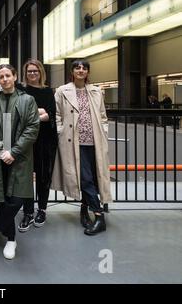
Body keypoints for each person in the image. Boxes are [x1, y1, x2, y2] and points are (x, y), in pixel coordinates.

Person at [0, 64, 40, 259]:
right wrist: (0, 150)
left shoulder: (27, 100)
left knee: (17, 200)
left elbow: (32, 128)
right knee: (2, 199)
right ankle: (11, 240)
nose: (4, 79)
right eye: (1, 77)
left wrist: (13, 152)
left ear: (14, 77)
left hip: (20, 157)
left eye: (8, 75)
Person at [51, 59, 113, 236]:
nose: (81, 70)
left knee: (92, 177)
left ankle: (84, 210)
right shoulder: (62, 91)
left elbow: (103, 116)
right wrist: (61, 131)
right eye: (77, 67)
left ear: (88, 72)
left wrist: (104, 131)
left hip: (95, 141)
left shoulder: (96, 91)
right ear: (72, 71)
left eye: (84, 68)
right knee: (84, 178)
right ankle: (99, 216)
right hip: (73, 141)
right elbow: (56, 115)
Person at [17, 59, 57, 232]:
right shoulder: (20, 90)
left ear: (41, 72)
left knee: (43, 176)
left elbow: (52, 115)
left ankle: (42, 209)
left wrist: (37, 115)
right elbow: (19, 113)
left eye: (35, 71)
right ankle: (27, 212)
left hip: (46, 139)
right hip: (26, 140)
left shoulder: (48, 91)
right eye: (29, 71)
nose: (32, 74)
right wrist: (39, 113)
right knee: (25, 177)